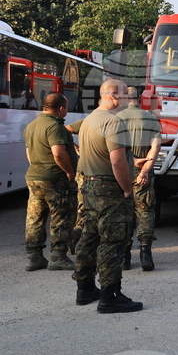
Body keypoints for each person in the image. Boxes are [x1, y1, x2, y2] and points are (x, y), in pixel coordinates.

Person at [72, 80, 143, 313]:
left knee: (89, 238)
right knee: (112, 242)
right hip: (109, 190)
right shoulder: (114, 122)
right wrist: (127, 188)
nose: (128, 98)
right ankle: (110, 296)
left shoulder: (90, 119)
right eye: (125, 94)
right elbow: (117, 160)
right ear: (113, 95)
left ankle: (85, 289)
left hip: (90, 187)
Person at [23, 93, 78, 272]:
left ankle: (34, 257)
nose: (66, 111)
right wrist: (69, 171)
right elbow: (58, 154)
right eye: (66, 108)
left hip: (34, 176)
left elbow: (29, 153)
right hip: (53, 178)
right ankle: (58, 257)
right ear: (61, 108)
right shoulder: (55, 127)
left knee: (35, 217)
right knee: (62, 216)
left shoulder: (32, 125)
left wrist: (36, 167)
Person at [117, 90, 162, 272]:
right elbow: (156, 146)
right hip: (142, 171)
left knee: (124, 213)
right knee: (145, 211)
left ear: (125, 99)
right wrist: (144, 171)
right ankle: (145, 255)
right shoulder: (151, 119)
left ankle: (125, 257)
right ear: (140, 99)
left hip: (121, 171)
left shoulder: (117, 118)